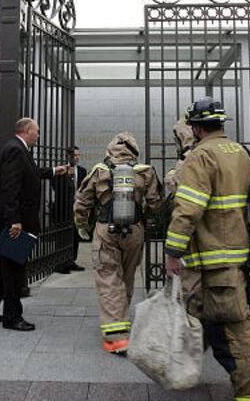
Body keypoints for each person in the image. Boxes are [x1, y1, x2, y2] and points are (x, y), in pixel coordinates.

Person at [165, 97, 250, 401]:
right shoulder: (243, 152)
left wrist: (173, 251)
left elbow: (188, 209)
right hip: (237, 256)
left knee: (236, 331)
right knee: (211, 320)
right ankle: (178, 368)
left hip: (214, 261)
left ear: (196, 127)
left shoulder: (201, 157)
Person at [0, 117, 67, 331]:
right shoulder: (15, 150)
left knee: (4, 269)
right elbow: (10, 188)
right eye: (37, 130)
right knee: (14, 271)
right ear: (27, 130)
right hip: (17, 223)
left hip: (18, 221)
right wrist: (15, 220)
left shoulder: (19, 149)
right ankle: (12, 318)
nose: (39, 135)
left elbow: (30, 174)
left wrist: (54, 171)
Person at [73, 132, 163, 354]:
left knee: (108, 278)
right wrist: (147, 218)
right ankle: (121, 322)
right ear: (134, 151)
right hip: (135, 230)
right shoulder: (145, 171)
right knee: (127, 277)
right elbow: (155, 203)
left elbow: (82, 202)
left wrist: (82, 226)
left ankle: (116, 337)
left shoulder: (99, 171)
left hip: (106, 231)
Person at [53, 146, 87, 274]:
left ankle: (71, 260)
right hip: (63, 208)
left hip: (76, 208)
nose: (77, 158)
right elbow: (55, 187)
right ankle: (60, 263)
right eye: (75, 155)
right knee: (62, 236)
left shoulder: (82, 171)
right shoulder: (61, 169)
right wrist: (67, 178)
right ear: (68, 156)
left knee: (74, 235)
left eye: (78, 155)